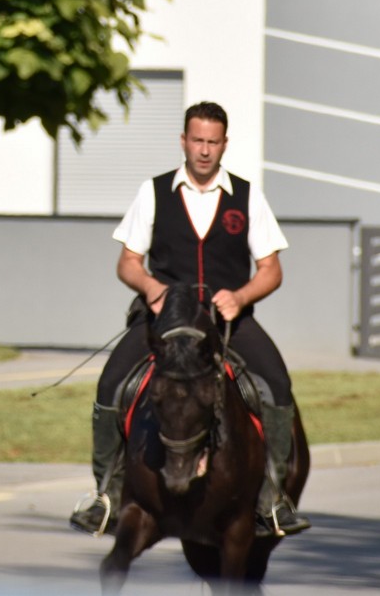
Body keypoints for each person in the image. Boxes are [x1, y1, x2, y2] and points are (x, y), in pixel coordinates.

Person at [69, 101, 310, 539]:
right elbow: (127, 262)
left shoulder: (247, 195)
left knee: (276, 385)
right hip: (164, 322)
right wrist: (150, 288)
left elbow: (272, 269)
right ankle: (106, 493)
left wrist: (241, 295)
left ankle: (272, 498)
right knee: (110, 385)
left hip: (227, 322)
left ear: (224, 145)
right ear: (183, 140)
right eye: (196, 140)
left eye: (212, 142)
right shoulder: (154, 191)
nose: (203, 150)